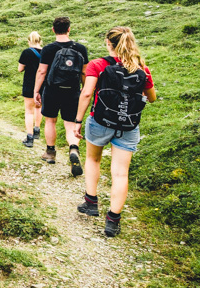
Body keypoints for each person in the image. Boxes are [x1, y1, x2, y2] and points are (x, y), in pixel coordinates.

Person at [75, 26, 156, 237]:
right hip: (129, 126)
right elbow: (152, 97)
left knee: (93, 160)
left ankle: (91, 203)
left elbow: (86, 94)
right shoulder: (141, 68)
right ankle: (113, 221)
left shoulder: (98, 65)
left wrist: (77, 121)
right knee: (120, 173)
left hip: (100, 121)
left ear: (108, 43)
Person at [33, 16, 89, 175]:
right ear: (69, 29)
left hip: (52, 90)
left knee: (50, 121)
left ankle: (50, 153)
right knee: (70, 124)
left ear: (53, 30)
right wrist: (84, 90)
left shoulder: (48, 49)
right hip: (72, 91)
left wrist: (36, 90)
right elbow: (84, 72)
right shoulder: (80, 48)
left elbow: (42, 71)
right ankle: (74, 149)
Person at [18, 31, 44, 148]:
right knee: (39, 107)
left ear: (29, 41)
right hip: (43, 84)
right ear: (40, 40)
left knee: (29, 111)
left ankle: (29, 137)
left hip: (29, 84)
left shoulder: (26, 52)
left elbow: (20, 69)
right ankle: (37, 129)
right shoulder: (46, 52)